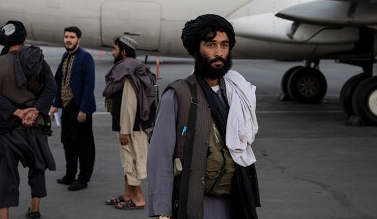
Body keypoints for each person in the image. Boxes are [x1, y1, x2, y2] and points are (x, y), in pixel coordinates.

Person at [147, 14, 260, 219]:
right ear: (196, 49)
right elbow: (160, 157)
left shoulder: (237, 94)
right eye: (211, 45)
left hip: (234, 203)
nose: (219, 53)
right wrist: (161, 212)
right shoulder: (177, 95)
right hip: (195, 205)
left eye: (224, 45)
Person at [0, 20, 57, 219]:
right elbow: (51, 88)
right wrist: (34, 112)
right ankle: (34, 208)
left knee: (6, 171)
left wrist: (16, 112)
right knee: (37, 166)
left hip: (6, 128)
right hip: (34, 126)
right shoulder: (38, 61)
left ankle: (5, 214)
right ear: (24, 38)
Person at [102, 36, 155, 210]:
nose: (112, 52)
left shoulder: (127, 72)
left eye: (115, 49)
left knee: (131, 161)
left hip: (131, 127)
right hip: (129, 125)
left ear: (124, 52)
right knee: (127, 160)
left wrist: (125, 130)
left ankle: (138, 198)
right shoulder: (128, 68)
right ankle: (127, 194)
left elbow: (129, 104)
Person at [49, 26, 97, 192]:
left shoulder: (85, 57)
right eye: (66, 37)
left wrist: (83, 110)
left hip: (80, 107)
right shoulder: (66, 56)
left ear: (79, 40)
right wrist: (55, 104)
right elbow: (59, 81)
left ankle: (83, 179)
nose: (68, 40)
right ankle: (70, 175)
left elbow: (89, 85)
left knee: (84, 145)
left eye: (72, 37)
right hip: (66, 107)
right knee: (68, 142)